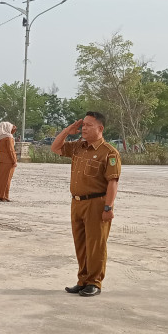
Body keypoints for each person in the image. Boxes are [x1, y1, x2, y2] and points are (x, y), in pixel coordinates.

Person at [51, 111, 121, 298]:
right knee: (80, 243)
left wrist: (108, 207)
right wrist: (68, 130)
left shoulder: (109, 152)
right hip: (77, 202)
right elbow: (55, 147)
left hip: (96, 203)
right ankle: (82, 280)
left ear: (100, 128)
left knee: (95, 244)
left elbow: (113, 182)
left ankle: (94, 282)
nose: (84, 128)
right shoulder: (78, 147)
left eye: (89, 125)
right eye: (83, 125)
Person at [0, 121, 18, 202]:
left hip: (1, 158)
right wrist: (14, 160)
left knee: (0, 177)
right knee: (7, 178)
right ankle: (4, 195)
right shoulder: (8, 137)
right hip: (8, 159)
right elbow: (11, 150)